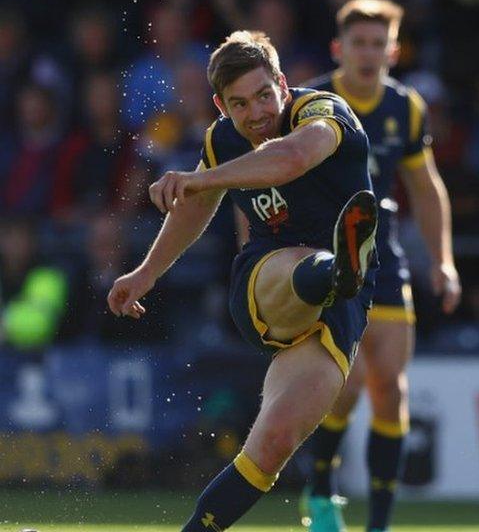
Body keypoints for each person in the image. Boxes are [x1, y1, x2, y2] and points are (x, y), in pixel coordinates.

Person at [106, 30, 379, 531]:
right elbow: (195, 212)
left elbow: (292, 158)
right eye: (239, 103)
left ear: (282, 83)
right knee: (302, 262)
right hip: (265, 283)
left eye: (263, 95)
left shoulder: (324, 114)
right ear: (219, 104)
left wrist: (200, 178)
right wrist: (146, 273)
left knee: (272, 445)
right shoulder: (222, 139)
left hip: (340, 310)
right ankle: (335, 268)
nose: (256, 113)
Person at [297, 0, 462, 532]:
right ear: (338, 48)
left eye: (379, 44)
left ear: (394, 49)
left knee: (390, 387)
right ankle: (321, 488)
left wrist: (443, 260)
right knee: (343, 386)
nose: (369, 54)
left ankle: (379, 524)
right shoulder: (311, 104)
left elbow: (426, 185)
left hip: (382, 254)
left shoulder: (406, 107)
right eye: (359, 43)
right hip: (323, 255)